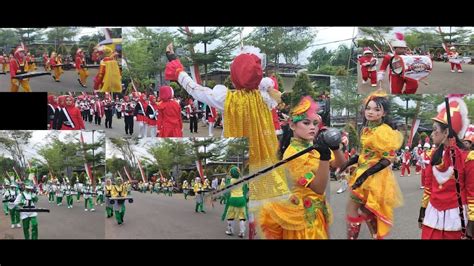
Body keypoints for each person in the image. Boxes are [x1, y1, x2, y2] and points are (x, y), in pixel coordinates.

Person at [257, 96, 344, 239]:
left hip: (317, 213)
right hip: (302, 218)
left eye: (315, 123)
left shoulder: (312, 147)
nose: (312, 127)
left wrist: (335, 148)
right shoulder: (293, 154)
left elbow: (339, 165)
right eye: (306, 123)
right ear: (292, 125)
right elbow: (318, 188)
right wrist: (324, 156)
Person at [339, 90, 404, 239]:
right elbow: (363, 154)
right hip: (362, 172)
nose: (370, 112)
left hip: (375, 176)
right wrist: (347, 163)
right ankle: (375, 236)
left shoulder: (384, 131)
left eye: (376, 109)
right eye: (368, 108)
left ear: (384, 113)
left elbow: (388, 159)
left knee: (357, 208)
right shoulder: (367, 128)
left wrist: (366, 175)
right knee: (364, 209)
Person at [418, 96, 473, 239]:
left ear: (446, 132)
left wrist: (472, 222)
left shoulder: (467, 159)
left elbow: (471, 192)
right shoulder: (434, 156)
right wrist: (422, 210)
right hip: (433, 217)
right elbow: (428, 186)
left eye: (435, 129)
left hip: (456, 218)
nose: (431, 133)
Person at [221, 166, 249, 238]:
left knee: (230, 216)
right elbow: (246, 189)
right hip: (241, 199)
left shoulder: (230, 181)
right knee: (242, 216)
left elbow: (226, 191)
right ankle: (242, 232)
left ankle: (230, 230)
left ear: (231, 173)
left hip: (232, 199)